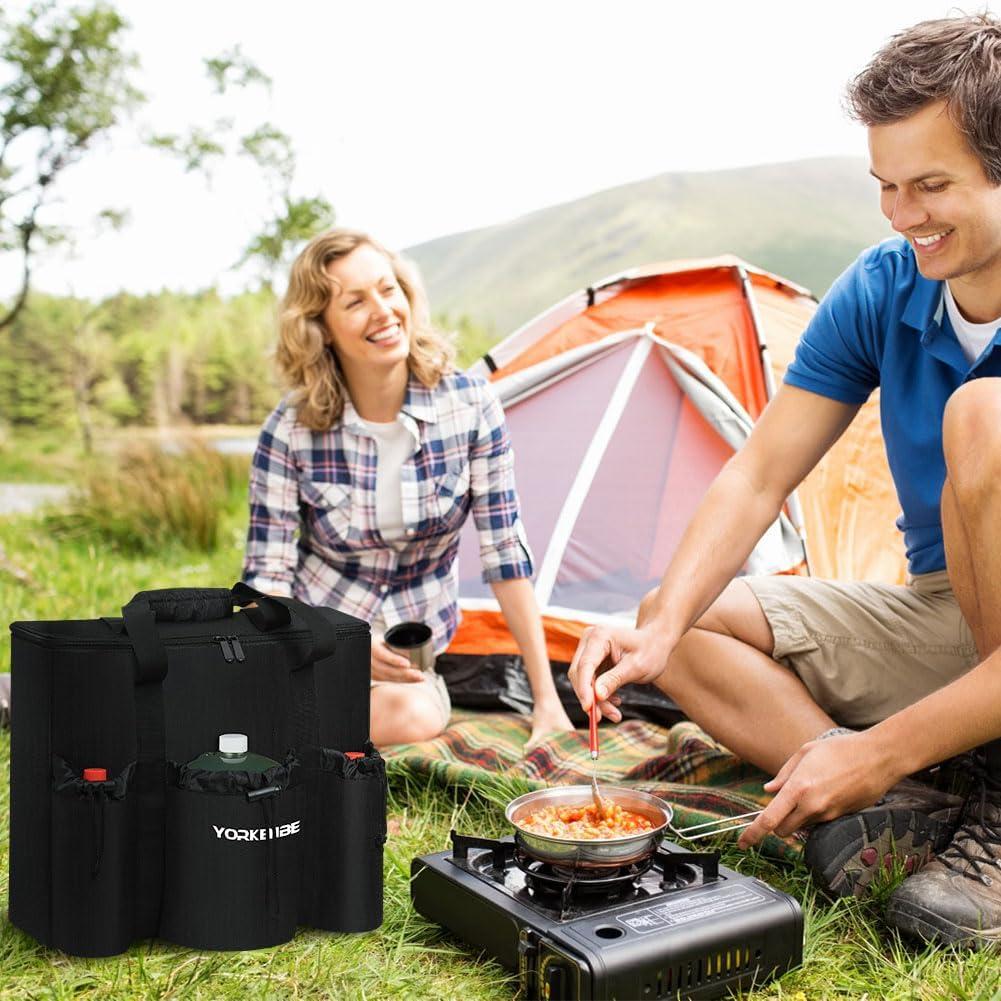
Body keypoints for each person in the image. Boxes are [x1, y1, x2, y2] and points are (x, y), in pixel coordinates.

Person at [568, 14, 1001, 947]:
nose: (901, 215)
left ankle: (976, 802)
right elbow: (758, 474)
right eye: (884, 185)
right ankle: (895, 805)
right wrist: (659, 631)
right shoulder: (884, 285)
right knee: (672, 619)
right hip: (948, 609)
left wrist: (872, 744)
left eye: (930, 185)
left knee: (984, 415)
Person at [243, 228, 574, 748]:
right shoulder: (289, 431)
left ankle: (276, 730)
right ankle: (280, 720)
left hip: (407, 674)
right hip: (312, 651)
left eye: (387, 289)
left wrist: (546, 700)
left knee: (414, 715)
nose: (383, 311)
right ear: (321, 328)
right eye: (355, 302)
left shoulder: (471, 406)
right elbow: (266, 582)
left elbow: (506, 556)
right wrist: (334, 642)